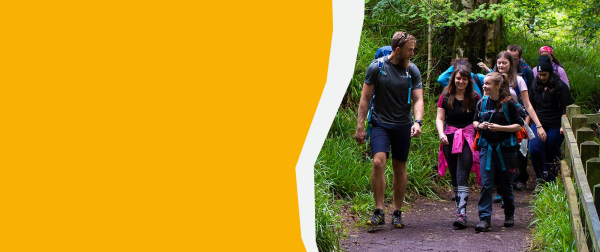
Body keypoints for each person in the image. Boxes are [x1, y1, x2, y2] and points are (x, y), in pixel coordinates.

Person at [355, 31, 423, 229]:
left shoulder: (412, 70)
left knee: (399, 167)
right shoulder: (377, 67)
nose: (412, 53)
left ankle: (397, 212)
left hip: (403, 124)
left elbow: (418, 99)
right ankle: (378, 210)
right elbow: (365, 98)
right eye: (410, 50)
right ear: (398, 50)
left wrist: (417, 122)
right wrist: (360, 126)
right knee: (378, 162)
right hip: (380, 123)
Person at [480, 51, 548, 194]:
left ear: (511, 63)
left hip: (513, 120)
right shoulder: (490, 79)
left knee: (516, 153)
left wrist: (538, 125)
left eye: (504, 62)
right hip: (493, 121)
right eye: (499, 62)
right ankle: (499, 188)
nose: (501, 65)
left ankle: (513, 184)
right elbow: (485, 101)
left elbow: (528, 104)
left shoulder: (519, 80)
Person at [473, 72, 524, 232]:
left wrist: (500, 128)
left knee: (506, 184)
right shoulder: (481, 103)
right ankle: (484, 219)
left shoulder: (509, 104)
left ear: (498, 86)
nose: (484, 86)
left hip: (507, 150)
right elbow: (475, 120)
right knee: (486, 184)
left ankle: (509, 214)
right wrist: (478, 126)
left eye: (488, 83)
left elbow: (518, 126)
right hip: (486, 149)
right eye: (484, 83)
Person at [436, 65, 481, 229]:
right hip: (449, 137)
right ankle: (459, 207)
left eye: (464, 79)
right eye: (458, 78)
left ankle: (461, 214)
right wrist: (441, 134)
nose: (461, 81)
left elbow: (478, 118)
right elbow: (440, 118)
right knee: (454, 175)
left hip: (469, 137)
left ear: (469, 80)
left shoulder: (475, 97)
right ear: (454, 79)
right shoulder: (445, 96)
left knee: (463, 173)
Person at [529, 55, 572, 185]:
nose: (542, 78)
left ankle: (551, 178)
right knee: (535, 148)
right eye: (540, 75)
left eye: (544, 75)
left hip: (555, 123)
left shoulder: (561, 86)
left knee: (551, 148)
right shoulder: (535, 85)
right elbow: (530, 106)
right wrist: (535, 125)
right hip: (538, 122)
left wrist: (562, 126)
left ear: (550, 73)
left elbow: (566, 107)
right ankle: (539, 177)